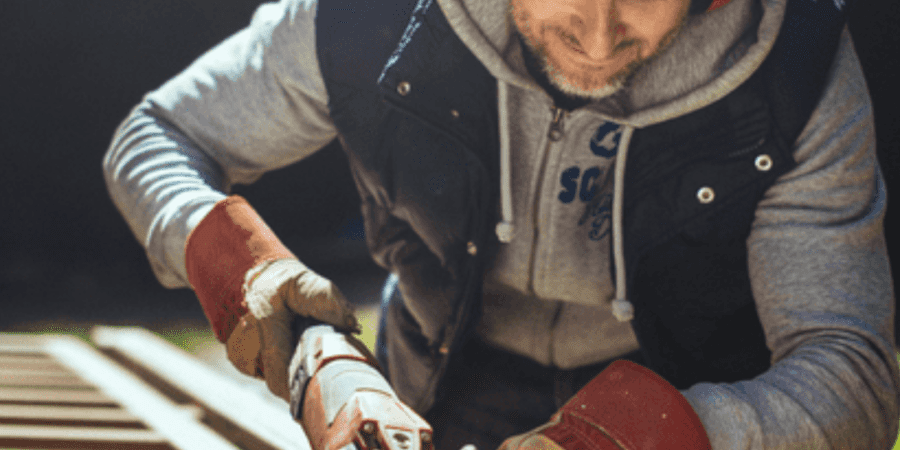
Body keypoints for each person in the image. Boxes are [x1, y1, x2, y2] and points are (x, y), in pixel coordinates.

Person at [103, 0, 900, 447]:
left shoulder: (795, 74)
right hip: (435, 384)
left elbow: (850, 373)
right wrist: (286, 317)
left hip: (679, 403)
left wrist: (635, 437)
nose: (596, 41)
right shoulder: (362, 18)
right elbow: (156, 136)